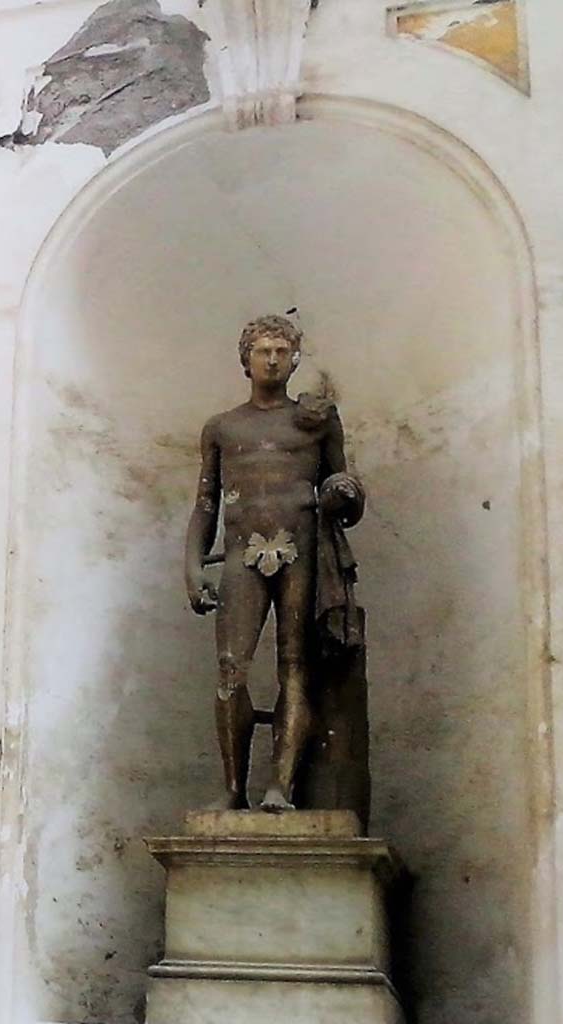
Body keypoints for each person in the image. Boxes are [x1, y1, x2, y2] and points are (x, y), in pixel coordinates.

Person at [185, 315, 362, 811]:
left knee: (295, 667)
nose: (272, 360)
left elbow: (345, 483)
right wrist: (193, 565)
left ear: (296, 359)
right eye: (262, 351)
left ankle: (280, 786)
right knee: (230, 670)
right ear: (245, 359)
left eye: (281, 352)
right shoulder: (222, 427)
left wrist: (341, 493)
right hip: (242, 552)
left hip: (301, 550)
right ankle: (232, 788)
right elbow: (205, 504)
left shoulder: (316, 420)